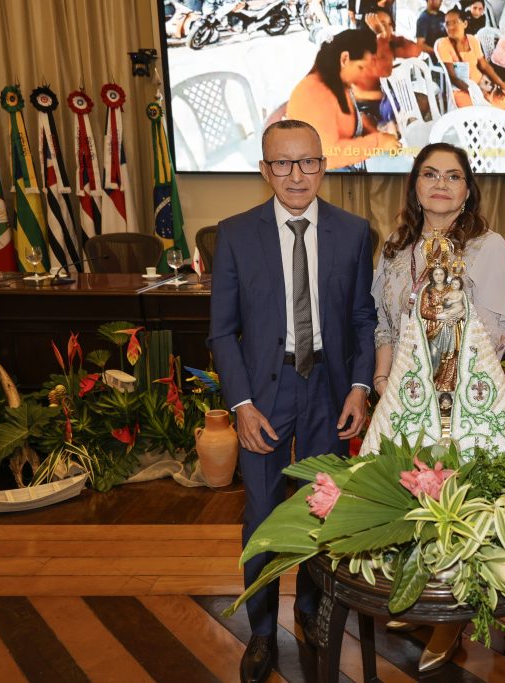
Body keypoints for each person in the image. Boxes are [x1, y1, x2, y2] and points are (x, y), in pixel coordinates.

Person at [207, 119, 377, 683]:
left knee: (321, 508)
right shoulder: (235, 234)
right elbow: (221, 331)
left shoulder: (354, 232)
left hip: (330, 390)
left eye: (307, 162)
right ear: (264, 169)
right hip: (265, 392)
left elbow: (362, 319)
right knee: (261, 513)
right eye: (282, 163)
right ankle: (261, 631)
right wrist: (241, 403)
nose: (296, 175)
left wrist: (360, 387)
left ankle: (310, 612)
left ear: (324, 166)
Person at [370, 142, 505, 671]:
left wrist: (443, 378)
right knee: (412, 503)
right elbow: (384, 325)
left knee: (456, 508)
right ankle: (421, 598)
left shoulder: (487, 246)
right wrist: (383, 380)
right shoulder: (394, 248)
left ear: (467, 189)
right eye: (430, 174)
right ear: (414, 185)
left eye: (453, 176)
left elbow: (497, 332)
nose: (440, 184)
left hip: (459, 401)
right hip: (404, 400)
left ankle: (451, 620)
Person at [287, 29, 401, 171]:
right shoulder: (313, 93)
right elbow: (328, 156)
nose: (361, 75)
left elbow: (347, 128)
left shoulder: (337, 84)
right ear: (345, 59)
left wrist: (378, 134)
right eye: (360, 67)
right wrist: (378, 143)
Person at [435, 8, 505, 114]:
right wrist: (475, 91)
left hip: (482, 85)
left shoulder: (472, 40)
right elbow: (453, 78)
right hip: (462, 90)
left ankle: (501, 125)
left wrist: (500, 83)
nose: (451, 27)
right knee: (482, 113)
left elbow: (484, 66)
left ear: (465, 24)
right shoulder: (443, 44)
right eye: (447, 24)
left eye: (455, 22)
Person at [354, 8, 424, 127]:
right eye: (379, 24)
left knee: (422, 101)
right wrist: (381, 36)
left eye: (388, 24)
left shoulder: (388, 45)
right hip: (369, 105)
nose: (385, 27)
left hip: (391, 100)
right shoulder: (361, 50)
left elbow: (415, 50)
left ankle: (398, 128)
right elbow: (359, 94)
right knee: (365, 120)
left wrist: (389, 37)